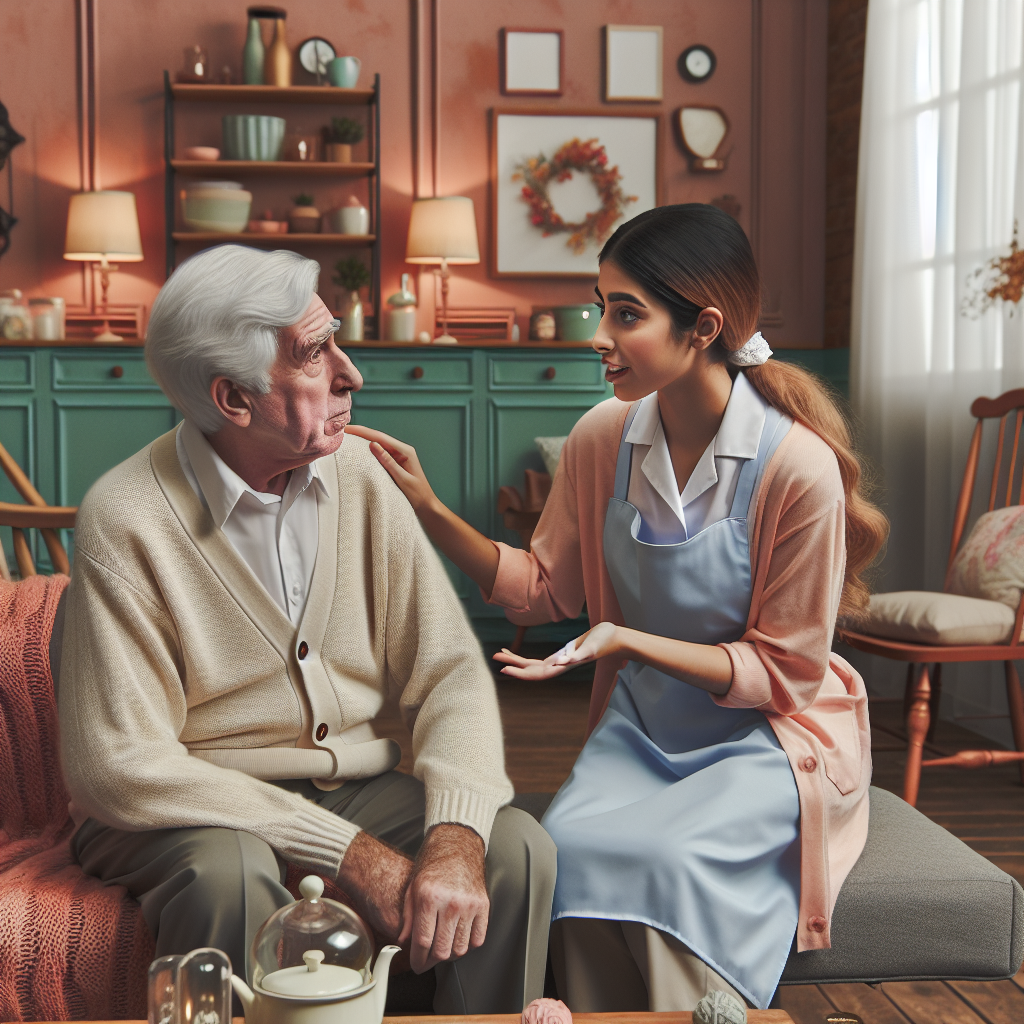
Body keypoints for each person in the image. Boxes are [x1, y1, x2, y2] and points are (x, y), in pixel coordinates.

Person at [347, 204, 888, 1012]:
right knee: (567, 848)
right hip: (644, 725)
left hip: (768, 735)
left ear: (704, 328)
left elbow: (786, 674)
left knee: (664, 857)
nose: (598, 335)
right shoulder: (604, 436)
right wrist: (428, 507)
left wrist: (625, 639)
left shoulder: (795, 467)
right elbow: (543, 587)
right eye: (601, 306)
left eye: (626, 314)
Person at [58, 244, 556, 1015]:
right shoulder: (125, 518)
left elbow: (449, 672)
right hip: (184, 804)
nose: (352, 374)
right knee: (229, 874)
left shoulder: (362, 475)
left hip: (351, 786)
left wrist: (457, 835)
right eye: (316, 353)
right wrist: (346, 852)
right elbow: (117, 767)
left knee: (515, 849)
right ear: (233, 398)